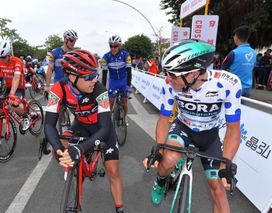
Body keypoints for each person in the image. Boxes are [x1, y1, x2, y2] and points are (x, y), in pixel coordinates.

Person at [143, 40, 242, 213]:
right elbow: (164, 119)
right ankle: (160, 181)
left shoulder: (228, 83)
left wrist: (225, 165)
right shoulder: (170, 85)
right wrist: (159, 150)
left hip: (210, 136)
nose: (167, 79)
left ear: (193, 74)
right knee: (168, 160)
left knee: (218, 188)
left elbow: (233, 129)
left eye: (172, 74)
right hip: (183, 128)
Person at [44, 49, 125, 213]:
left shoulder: (99, 89)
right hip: (81, 125)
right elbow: (49, 125)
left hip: (102, 128)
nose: (94, 79)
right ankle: (78, 170)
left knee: (113, 170)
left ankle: (120, 208)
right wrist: (60, 149)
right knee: (57, 148)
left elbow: (104, 128)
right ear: (72, 77)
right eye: (88, 77)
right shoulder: (58, 89)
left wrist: (80, 149)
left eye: (95, 74)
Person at [0, 37, 28, 132]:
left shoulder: (17, 61)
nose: (1, 59)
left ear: (9, 54)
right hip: (7, 87)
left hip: (18, 87)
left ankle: (25, 116)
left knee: (12, 105)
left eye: (3, 57)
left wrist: (12, 94)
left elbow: (16, 78)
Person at [101, 35, 132, 126]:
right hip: (113, 82)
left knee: (124, 101)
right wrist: (103, 88)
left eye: (115, 46)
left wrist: (128, 85)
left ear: (120, 46)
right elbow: (104, 74)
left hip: (123, 80)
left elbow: (129, 72)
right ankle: (109, 123)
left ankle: (125, 118)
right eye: (111, 46)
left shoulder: (126, 55)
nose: (113, 48)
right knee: (110, 102)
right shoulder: (106, 57)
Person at [221, 25, 256, 97]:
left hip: (234, 88)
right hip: (248, 89)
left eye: (234, 36)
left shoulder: (234, 53)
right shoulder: (253, 53)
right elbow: (252, 68)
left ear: (237, 38)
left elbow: (223, 69)